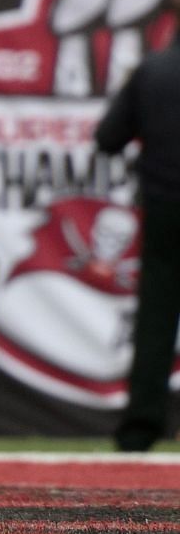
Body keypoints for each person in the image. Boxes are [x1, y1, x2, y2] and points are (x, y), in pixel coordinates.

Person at [97, 25, 180, 451]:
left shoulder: (152, 71)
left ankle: (140, 430)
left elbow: (108, 138)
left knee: (156, 321)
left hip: (166, 207)